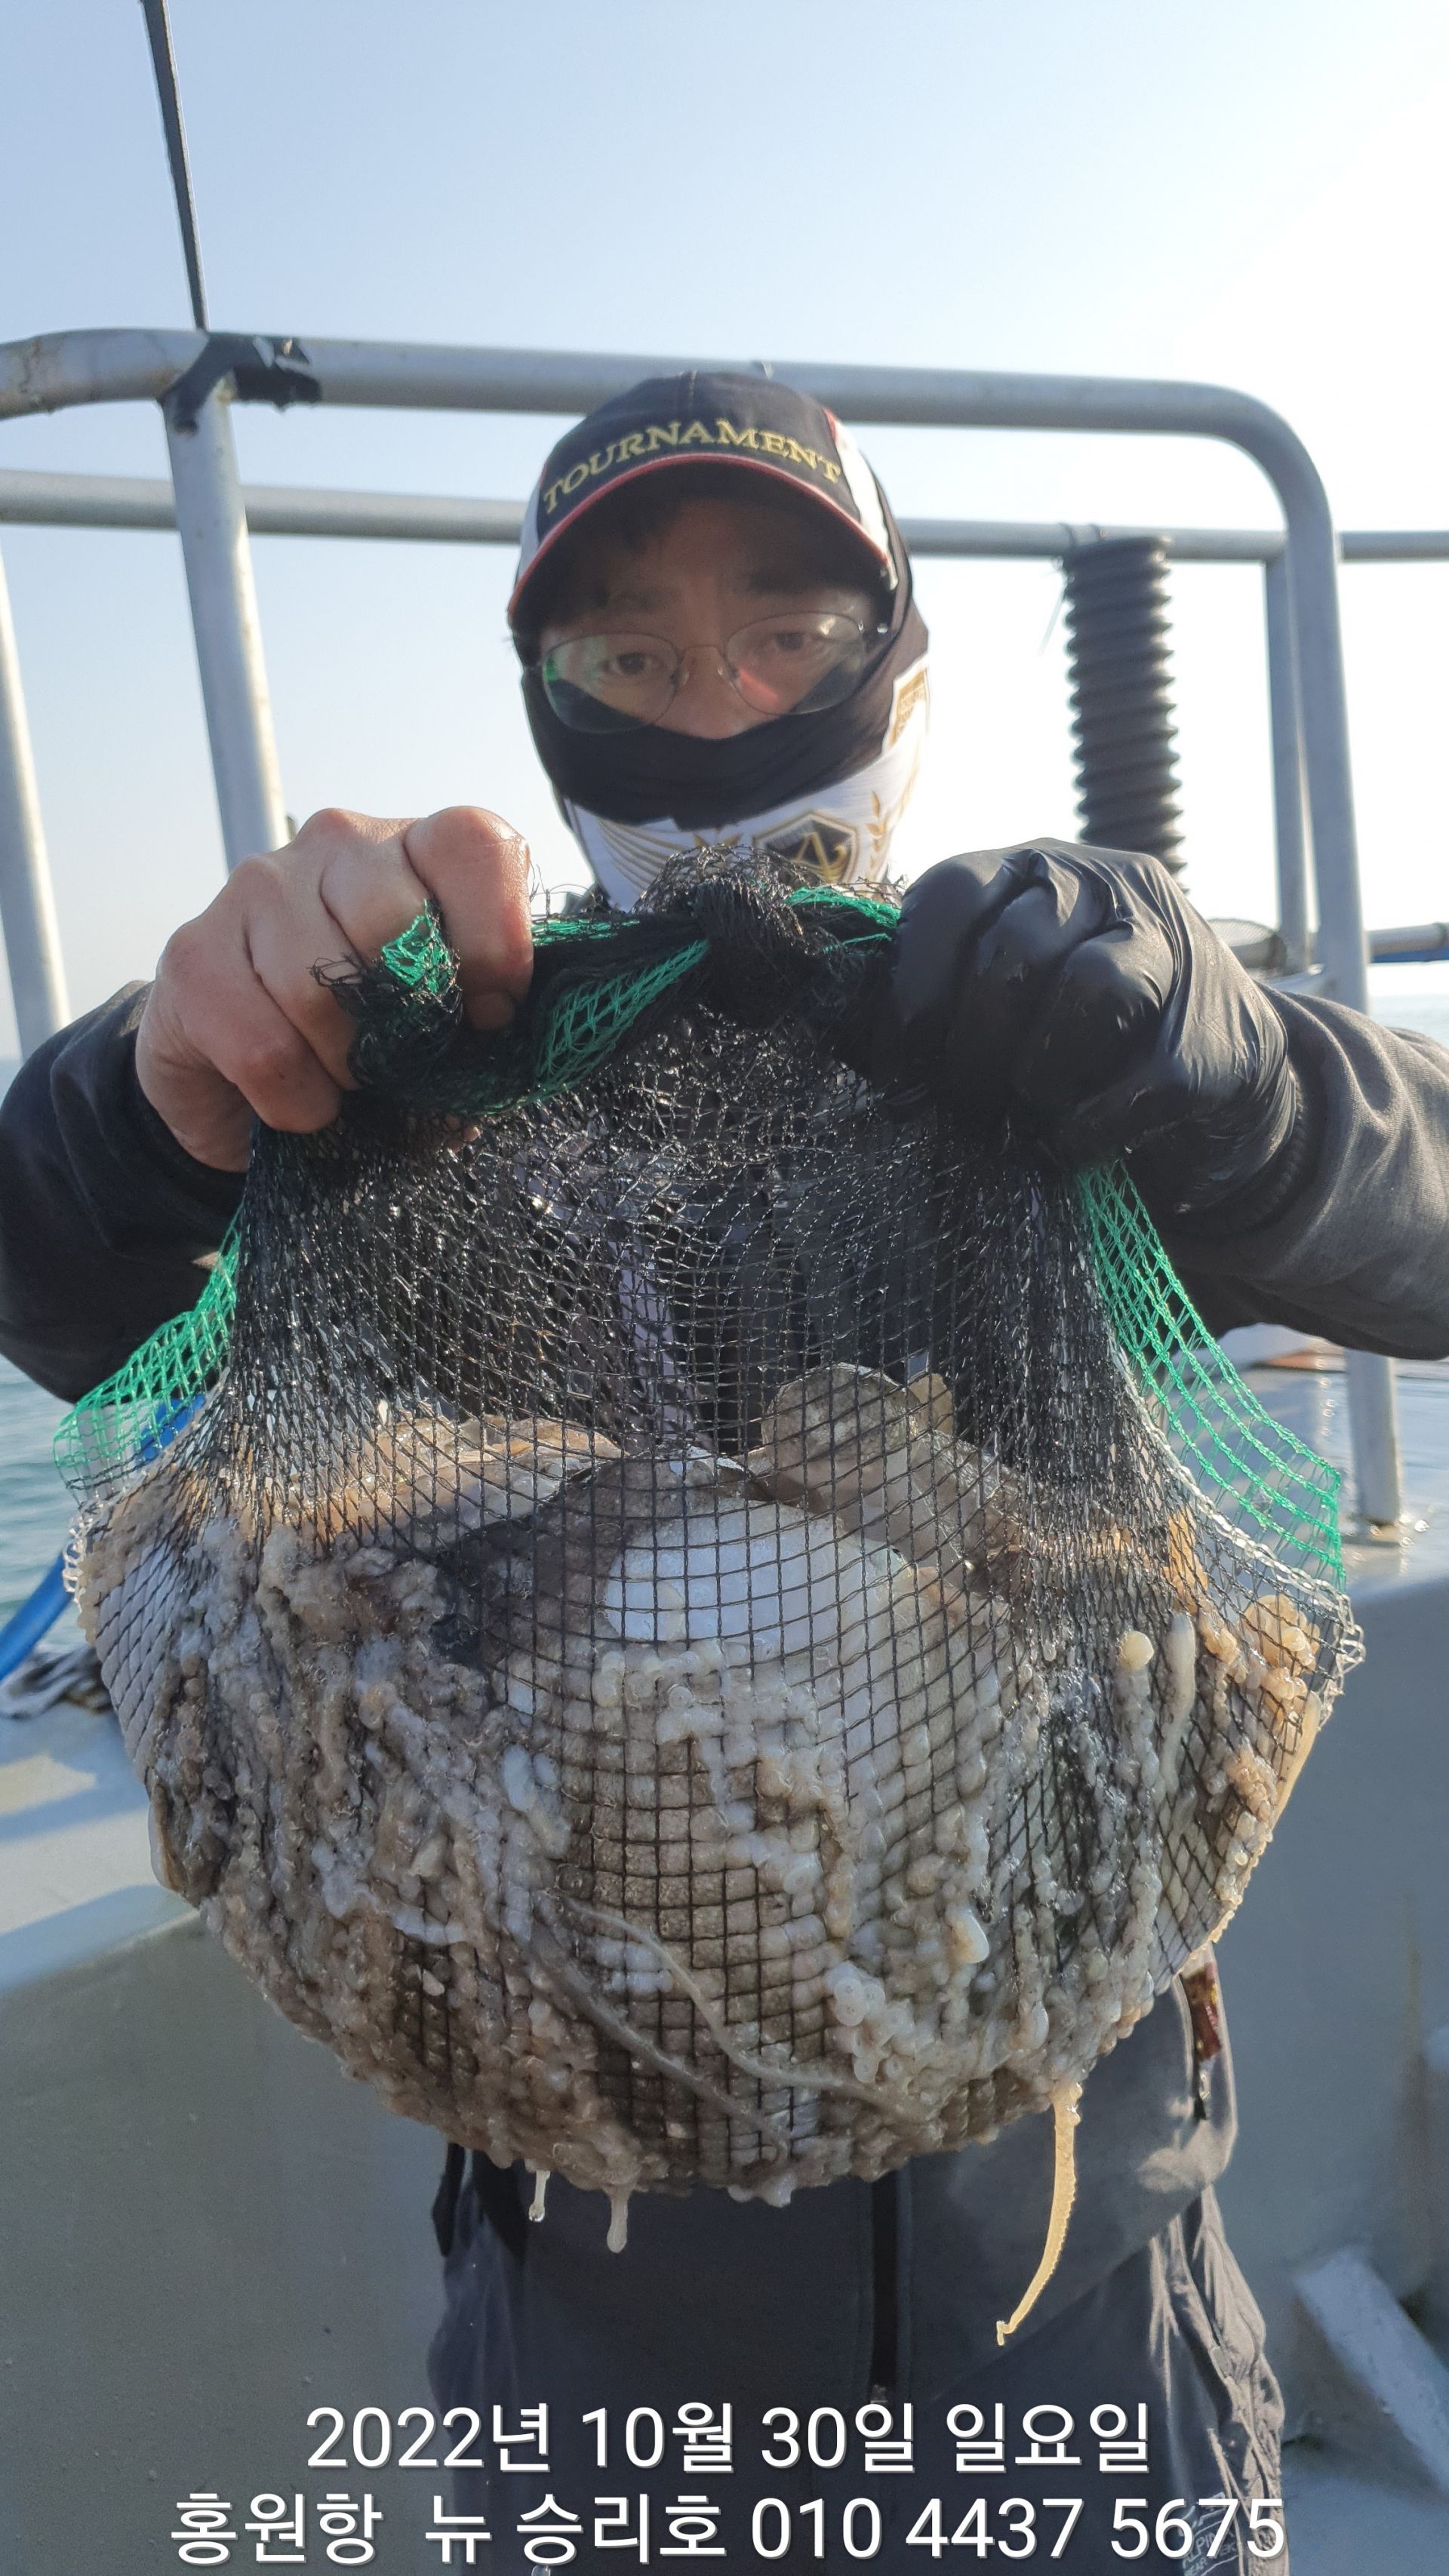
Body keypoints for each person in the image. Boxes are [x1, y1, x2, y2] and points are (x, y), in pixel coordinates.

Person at [3, 370, 1447, 2568]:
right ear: (552, 705)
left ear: (899, 668)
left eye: (789, 633)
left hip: (1082, 2307)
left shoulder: (1056, 1029)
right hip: (607, 2360)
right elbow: (50, 1270)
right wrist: (153, 1075)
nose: (725, 709)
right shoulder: (440, 1079)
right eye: (633, 658)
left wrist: (1247, 1072)